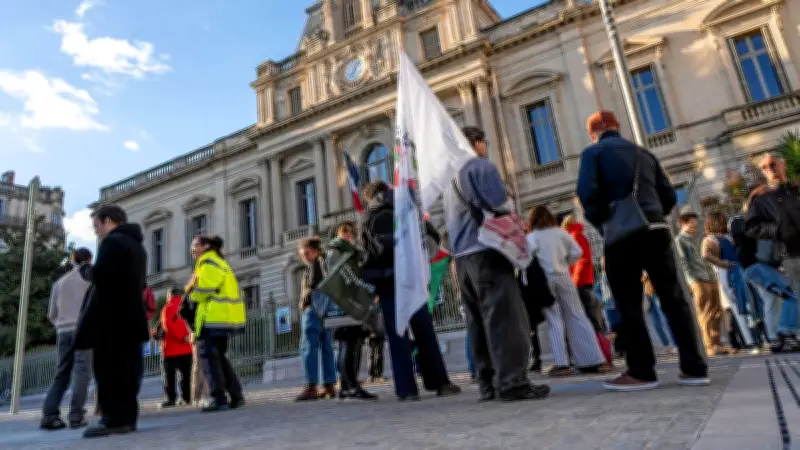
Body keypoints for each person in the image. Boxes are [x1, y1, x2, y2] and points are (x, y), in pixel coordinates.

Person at [576, 110, 708, 391]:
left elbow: (587, 194)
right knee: (674, 298)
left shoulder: (593, 153)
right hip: (657, 230)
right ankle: (694, 367)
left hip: (622, 235)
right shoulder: (644, 154)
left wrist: (605, 222)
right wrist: (654, 215)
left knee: (628, 303)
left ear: (593, 132)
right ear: (617, 126)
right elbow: (670, 196)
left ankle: (641, 371)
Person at [442, 126, 549, 402]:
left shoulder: (449, 178)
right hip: (487, 252)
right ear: (477, 143)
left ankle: (487, 384)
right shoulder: (479, 166)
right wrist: (509, 195)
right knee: (504, 318)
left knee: (478, 323)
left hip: (462, 259)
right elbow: (500, 204)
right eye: (484, 143)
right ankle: (513, 382)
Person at [361, 181, 462, 401]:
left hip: (387, 281)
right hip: (411, 278)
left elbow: (370, 253)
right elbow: (430, 239)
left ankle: (406, 389)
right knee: (424, 330)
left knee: (398, 336)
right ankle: (439, 382)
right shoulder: (406, 208)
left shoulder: (369, 217)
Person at [74, 205, 149, 438]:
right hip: (132, 317)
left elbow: (102, 277)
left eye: (96, 226)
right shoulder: (137, 246)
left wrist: (85, 270)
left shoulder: (112, 242)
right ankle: (127, 418)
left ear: (108, 221)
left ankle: (113, 419)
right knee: (126, 372)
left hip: (112, 319)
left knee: (109, 371)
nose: (96, 232)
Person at [527, 205, 609, 377]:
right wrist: (567, 263)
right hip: (564, 276)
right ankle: (593, 359)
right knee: (577, 315)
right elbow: (577, 252)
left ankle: (562, 364)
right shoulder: (561, 233)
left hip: (545, 280)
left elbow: (525, 260)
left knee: (554, 319)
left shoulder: (532, 237)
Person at [189, 235, 246, 412]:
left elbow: (204, 289)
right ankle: (236, 396)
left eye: (195, 246)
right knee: (220, 359)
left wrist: (191, 297)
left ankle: (219, 398)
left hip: (213, 319)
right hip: (224, 319)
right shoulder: (221, 263)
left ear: (206, 246)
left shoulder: (208, 263)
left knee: (209, 360)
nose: (192, 250)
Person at [40, 248, 94, 430]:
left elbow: (51, 314)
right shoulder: (89, 279)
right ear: (88, 260)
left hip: (62, 332)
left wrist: (61, 326)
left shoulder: (59, 283)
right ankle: (76, 416)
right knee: (82, 372)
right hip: (83, 330)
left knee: (62, 373)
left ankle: (49, 414)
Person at [324, 222, 378, 400]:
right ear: (344, 234)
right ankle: (350, 385)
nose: (352, 237)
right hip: (346, 303)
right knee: (349, 344)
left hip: (347, 302)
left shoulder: (343, 251)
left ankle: (347, 386)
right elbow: (344, 276)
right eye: (350, 234)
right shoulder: (337, 251)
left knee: (350, 343)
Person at [675, 212, 729, 356]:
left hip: (710, 277)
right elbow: (683, 263)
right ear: (683, 223)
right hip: (697, 279)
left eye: (696, 222)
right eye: (691, 222)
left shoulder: (699, 237)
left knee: (717, 311)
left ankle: (717, 343)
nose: (695, 225)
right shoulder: (679, 240)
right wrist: (692, 280)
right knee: (704, 313)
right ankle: (709, 345)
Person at [562, 215, 612, 364]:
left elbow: (582, 260)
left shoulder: (574, 236)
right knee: (591, 315)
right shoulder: (577, 235)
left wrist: (574, 281)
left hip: (580, 282)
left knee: (588, 317)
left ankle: (600, 353)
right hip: (585, 280)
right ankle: (601, 352)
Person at [701, 212, 755, 351]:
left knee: (742, 305)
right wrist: (723, 264)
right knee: (738, 306)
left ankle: (751, 338)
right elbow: (706, 254)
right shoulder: (714, 238)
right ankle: (749, 339)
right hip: (729, 272)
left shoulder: (721, 237)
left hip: (733, 271)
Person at [295, 237, 338, 401]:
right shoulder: (326, 263)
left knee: (308, 346)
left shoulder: (316, 265)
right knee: (326, 346)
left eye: (306, 253)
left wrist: (305, 302)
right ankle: (329, 385)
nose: (304, 257)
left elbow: (313, 285)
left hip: (314, 309)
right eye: (302, 254)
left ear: (316, 252)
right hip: (326, 309)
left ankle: (311, 385)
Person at [159, 288, 194, 408]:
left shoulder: (167, 308)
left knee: (170, 376)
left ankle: (171, 399)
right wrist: (187, 337)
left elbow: (168, 325)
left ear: (169, 295)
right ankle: (187, 397)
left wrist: (181, 337)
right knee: (187, 374)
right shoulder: (187, 306)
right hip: (188, 348)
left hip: (171, 349)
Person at [641, 272, 677, 355]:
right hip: (648, 295)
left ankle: (675, 344)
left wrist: (644, 276)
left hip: (657, 293)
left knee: (665, 320)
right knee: (656, 324)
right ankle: (666, 345)